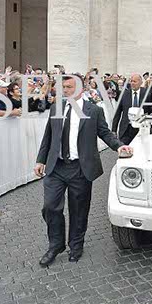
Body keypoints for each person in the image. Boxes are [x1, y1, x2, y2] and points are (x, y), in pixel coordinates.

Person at [34, 75, 132, 266]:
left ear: (80, 89)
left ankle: (76, 245)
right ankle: (56, 244)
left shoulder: (94, 110)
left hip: (80, 168)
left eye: (69, 87)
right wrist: (40, 160)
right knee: (50, 207)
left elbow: (104, 132)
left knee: (79, 210)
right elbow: (48, 135)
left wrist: (119, 146)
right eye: (63, 87)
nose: (65, 90)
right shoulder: (56, 108)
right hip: (56, 167)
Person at [112, 74, 152, 144]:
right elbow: (117, 113)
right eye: (131, 81)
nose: (132, 83)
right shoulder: (124, 94)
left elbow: (150, 112)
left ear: (140, 82)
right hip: (126, 129)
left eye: (135, 81)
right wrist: (114, 130)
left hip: (141, 128)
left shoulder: (147, 94)